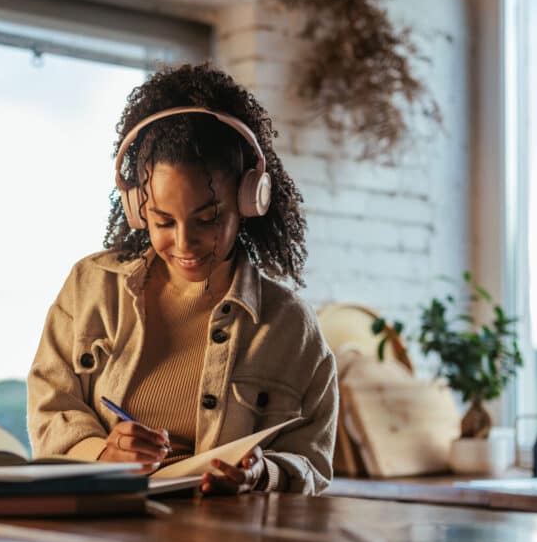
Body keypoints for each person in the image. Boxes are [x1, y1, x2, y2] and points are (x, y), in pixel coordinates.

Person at [27, 63, 337, 495]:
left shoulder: (290, 328)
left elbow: (313, 462)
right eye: (163, 221)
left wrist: (261, 474)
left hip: (224, 535)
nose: (186, 243)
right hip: (105, 528)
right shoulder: (90, 287)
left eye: (208, 219)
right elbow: (49, 407)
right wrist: (101, 453)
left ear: (250, 199)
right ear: (137, 208)